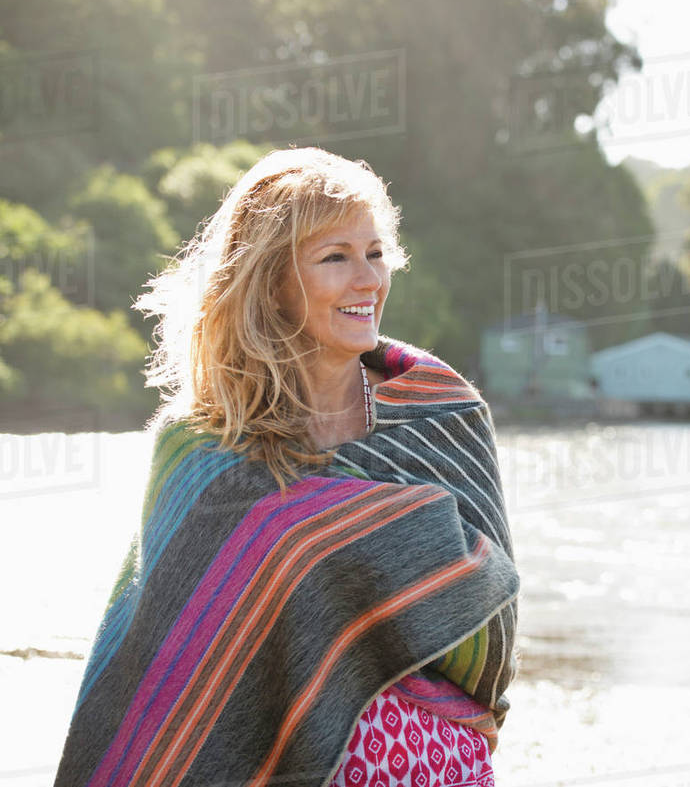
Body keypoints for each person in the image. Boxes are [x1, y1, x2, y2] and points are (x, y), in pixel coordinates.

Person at [51, 148, 520, 787]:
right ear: (270, 281)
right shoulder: (200, 450)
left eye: (375, 253)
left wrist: (353, 531)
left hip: (431, 765)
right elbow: (168, 666)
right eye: (335, 257)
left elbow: (490, 617)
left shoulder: (441, 411)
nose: (368, 279)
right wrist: (372, 529)